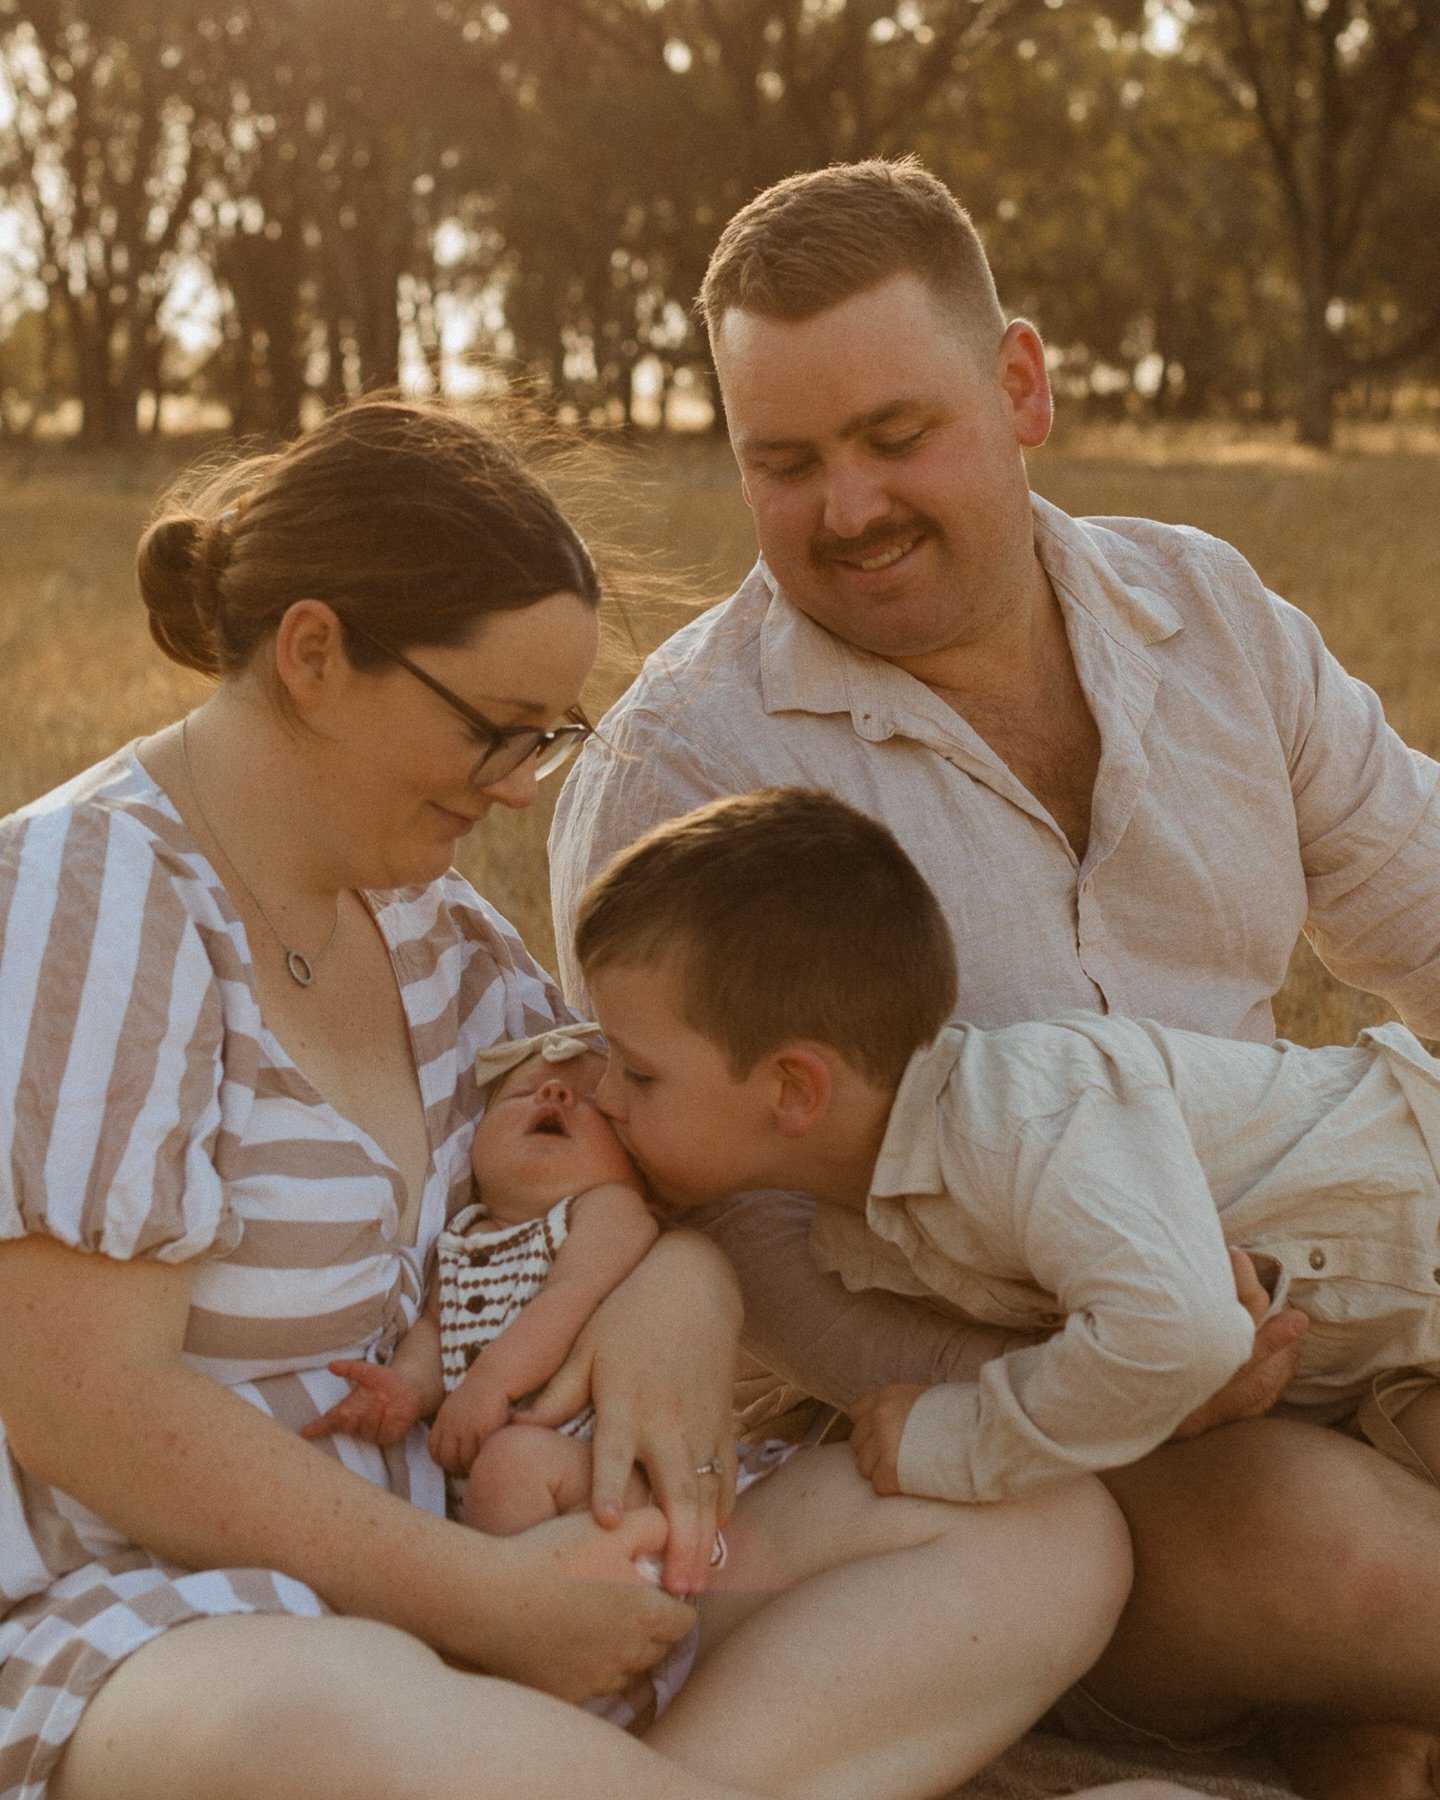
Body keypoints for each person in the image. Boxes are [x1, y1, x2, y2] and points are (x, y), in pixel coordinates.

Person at [0, 397, 1152, 1800]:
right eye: (498, 731)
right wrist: (474, 1602)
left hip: (502, 1563)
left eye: (550, 738)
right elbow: (81, 1406)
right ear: (314, 654)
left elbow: (656, 1169)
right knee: (316, 1725)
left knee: (1042, 1533)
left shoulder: (437, 933)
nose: (519, 792)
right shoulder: (96, 895)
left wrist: (687, 1285)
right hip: (182, 1623)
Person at [547, 157, 1440, 1799]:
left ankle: (1317, 1728)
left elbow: (1428, 902)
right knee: (1353, 1564)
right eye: (787, 463)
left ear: (1020, 385)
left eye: (897, 438)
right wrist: (1103, 1385)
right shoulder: (686, 770)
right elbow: (750, 1242)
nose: (849, 510)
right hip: (989, 1445)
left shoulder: (1210, 615)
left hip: (1311, 1324)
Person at [572, 785, 1440, 1510]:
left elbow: (1184, 1334)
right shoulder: (864, 1228)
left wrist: (957, 1435)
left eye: (639, 1075)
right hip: (1394, 1361)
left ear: (795, 1090)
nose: (604, 1095)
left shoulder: (1020, 1118)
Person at [304, 1028, 665, 1536]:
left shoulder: (610, 1209)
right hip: (514, 1490)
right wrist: (407, 1386)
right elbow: (435, 1331)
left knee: (511, 1466)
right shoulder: (460, 1234)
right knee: (505, 1471)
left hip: (611, 1472)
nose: (555, 1094)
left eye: (593, 1104)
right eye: (522, 1092)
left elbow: (571, 1297)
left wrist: (491, 1382)